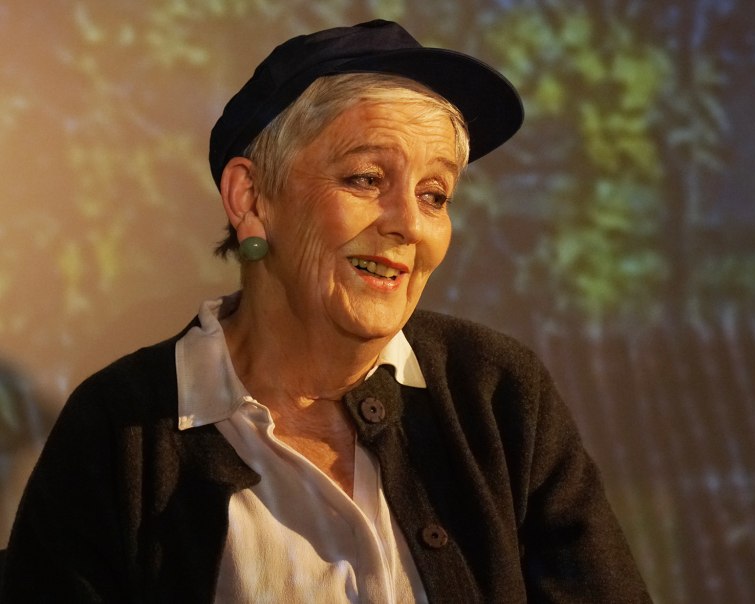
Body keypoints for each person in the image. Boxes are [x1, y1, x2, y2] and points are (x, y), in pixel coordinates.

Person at [0, 19, 651, 603]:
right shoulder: (120, 430)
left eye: (434, 195)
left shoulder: (495, 390)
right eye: (366, 180)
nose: (407, 226)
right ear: (250, 197)